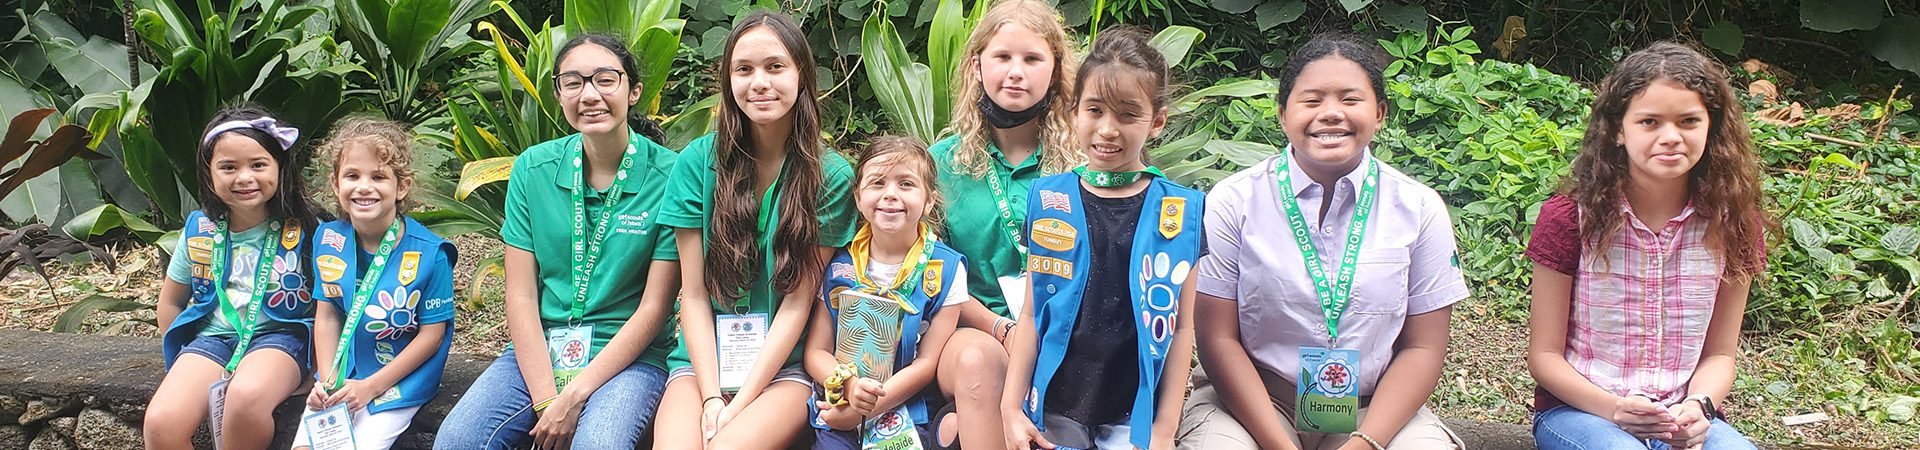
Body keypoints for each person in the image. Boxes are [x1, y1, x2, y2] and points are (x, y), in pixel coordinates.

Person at [1175, 34, 1470, 450]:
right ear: (1282, 114)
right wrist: (1279, 445)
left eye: (1351, 100)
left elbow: (1423, 346)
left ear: (1380, 113)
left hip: (1373, 411)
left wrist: (1365, 442)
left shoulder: (1419, 208)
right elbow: (1216, 338)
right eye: (1311, 101)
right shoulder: (1233, 201)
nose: (1331, 114)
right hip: (1253, 405)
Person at [434, 33, 683, 450]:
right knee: (458, 439)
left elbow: (656, 307)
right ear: (558, 94)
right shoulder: (534, 168)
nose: (590, 94)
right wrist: (548, 397)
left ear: (634, 91)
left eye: (606, 79)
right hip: (542, 350)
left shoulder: (670, 175)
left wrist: (574, 394)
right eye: (574, 82)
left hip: (629, 359)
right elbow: (520, 296)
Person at [1525, 41, 1767, 450]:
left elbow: (1721, 356)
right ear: (1618, 130)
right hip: (1581, 412)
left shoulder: (1734, 224)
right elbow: (1543, 357)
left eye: (1688, 121)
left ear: (1712, 127)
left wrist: (1700, 406)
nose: (1670, 137)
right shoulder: (1569, 218)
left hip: (1682, 416)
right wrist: (1615, 408)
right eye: (1650, 122)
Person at [651, 11, 858, 450]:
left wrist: (738, 405)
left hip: (784, 366)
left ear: (802, 74)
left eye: (775, 67)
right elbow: (692, 295)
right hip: (701, 361)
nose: (759, 82)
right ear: (728, 82)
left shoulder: (832, 175)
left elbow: (798, 303)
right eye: (744, 70)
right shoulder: (696, 162)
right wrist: (711, 398)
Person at [1003, 27, 1200, 450]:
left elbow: (1183, 328)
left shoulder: (1180, 211)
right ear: (1074, 112)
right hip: (1055, 407)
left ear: (1157, 121)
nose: (1108, 129)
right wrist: (1010, 409)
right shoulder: (1049, 198)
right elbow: (1032, 315)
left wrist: (1164, 431)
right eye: (1094, 110)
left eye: (1128, 115)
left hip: (1135, 413)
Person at [926, 0, 1082, 446]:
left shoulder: (1083, 165)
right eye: (1003, 57)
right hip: (972, 329)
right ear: (977, 65)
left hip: (1063, 331)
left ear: (1055, 71)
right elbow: (933, 277)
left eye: (1032, 59)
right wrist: (1003, 329)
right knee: (981, 362)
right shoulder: (941, 165)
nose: (1017, 71)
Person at [143, 105, 325, 450]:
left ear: (281, 167)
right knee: (161, 423)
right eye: (228, 167)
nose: (244, 178)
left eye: (258, 165)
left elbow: (333, 303)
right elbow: (170, 301)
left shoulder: (310, 229)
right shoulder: (201, 230)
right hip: (212, 340)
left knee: (246, 397)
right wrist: (181, 361)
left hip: (282, 337)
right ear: (209, 173)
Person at [298, 118, 456, 450]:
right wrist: (328, 380)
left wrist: (370, 387)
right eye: (352, 176)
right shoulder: (328, 240)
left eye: (379, 176)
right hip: (343, 373)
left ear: (401, 186)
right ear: (335, 183)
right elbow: (327, 316)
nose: (364, 187)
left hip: (398, 380)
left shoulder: (430, 254)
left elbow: (432, 336)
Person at [805, 136, 967, 448]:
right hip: (838, 409)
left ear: (930, 200)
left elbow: (927, 362)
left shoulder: (945, 269)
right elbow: (815, 352)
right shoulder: (838, 264)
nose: (890, 195)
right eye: (877, 183)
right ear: (857, 195)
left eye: (906, 184)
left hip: (908, 411)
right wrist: (850, 390)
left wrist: (869, 406)